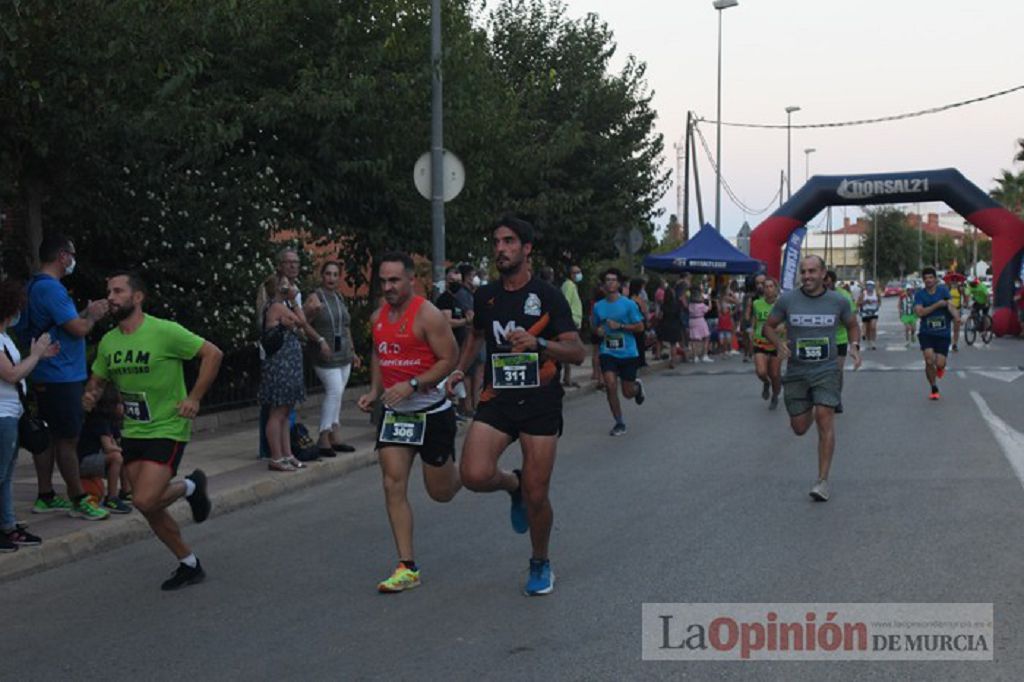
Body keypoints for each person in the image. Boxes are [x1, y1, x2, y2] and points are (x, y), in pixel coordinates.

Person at [448, 216, 584, 596]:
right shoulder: (485, 295)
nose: (500, 249)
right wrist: (459, 371)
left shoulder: (549, 296)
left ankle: (540, 560)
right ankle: (513, 483)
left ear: (526, 249)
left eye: (509, 242)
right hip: (499, 398)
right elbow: (475, 337)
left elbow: (576, 351)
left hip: (540, 402)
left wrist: (539, 345)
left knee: (538, 496)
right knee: (474, 475)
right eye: (496, 242)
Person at [83, 272, 222, 590]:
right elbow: (98, 378)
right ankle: (189, 563)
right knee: (148, 506)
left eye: (119, 291)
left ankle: (189, 486)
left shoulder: (164, 331)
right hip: (133, 430)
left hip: (168, 426)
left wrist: (194, 398)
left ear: (137, 297)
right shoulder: (109, 341)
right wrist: (90, 394)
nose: (112, 297)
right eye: (109, 291)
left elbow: (212, 354)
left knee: (145, 500)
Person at [356, 252, 461, 593]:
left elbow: (450, 358)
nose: (387, 287)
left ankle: (483, 477)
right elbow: (378, 352)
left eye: (394, 281)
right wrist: (375, 390)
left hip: (432, 413)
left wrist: (414, 384)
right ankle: (407, 566)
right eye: (383, 281)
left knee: (441, 492)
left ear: (411, 280)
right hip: (396, 415)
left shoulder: (428, 315)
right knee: (392, 483)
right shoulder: (378, 317)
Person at [23, 233, 111, 520]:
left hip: (48, 372)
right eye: (71, 255)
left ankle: (46, 495)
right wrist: (94, 316)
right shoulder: (52, 289)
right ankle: (78, 498)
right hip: (62, 375)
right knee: (68, 438)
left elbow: (63, 322)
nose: (73, 260)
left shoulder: (36, 285)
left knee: (49, 435)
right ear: (62, 256)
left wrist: (84, 311)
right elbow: (77, 329)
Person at [762, 256, 861, 502]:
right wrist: (778, 344)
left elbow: (852, 325)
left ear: (823, 273)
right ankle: (804, 414)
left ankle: (822, 481)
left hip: (826, 369)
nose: (807, 276)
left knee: (825, 416)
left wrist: (855, 346)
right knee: (799, 428)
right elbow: (768, 326)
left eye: (812, 271)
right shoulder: (788, 300)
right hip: (797, 371)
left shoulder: (838, 300)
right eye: (803, 272)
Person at [0, 279, 57, 551]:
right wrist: (35, 355)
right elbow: (11, 374)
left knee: (7, 473)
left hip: (10, 414)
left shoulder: (4, 338)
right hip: (2, 416)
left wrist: (39, 356)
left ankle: (8, 526)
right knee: (1, 473)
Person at [259, 275, 317, 471]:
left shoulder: (282, 306)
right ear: (278, 289)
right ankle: (276, 457)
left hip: (289, 365)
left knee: (286, 412)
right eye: (286, 284)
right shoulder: (276, 307)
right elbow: (301, 321)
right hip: (281, 366)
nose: (291, 286)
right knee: (277, 413)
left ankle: (287, 454)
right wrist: (294, 300)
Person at [304, 261, 361, 455]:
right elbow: (303, 323)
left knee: (338, 395)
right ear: (322, 276)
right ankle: (323, 436)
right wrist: (320, 340)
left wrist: (353, 351)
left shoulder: (338, 297)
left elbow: (346, 326)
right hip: (325, 354)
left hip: (343, 353)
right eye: (328, 274)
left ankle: (334, 435)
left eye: (335, 274)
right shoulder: (315, 297)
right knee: (334, 391)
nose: (332, 278)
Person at [592, 268, 646, 436]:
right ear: (603, 284)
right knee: (610, 384)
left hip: (628, 353)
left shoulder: (628, 304)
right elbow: (594, 327)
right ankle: (619, 422)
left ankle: (637, 388)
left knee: (627, 393)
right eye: (607, 280)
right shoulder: (598, 307)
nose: (610, 283)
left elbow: (640, 327)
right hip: (608, 351)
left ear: (619, 283)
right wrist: (598, 331)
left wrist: (621, 326)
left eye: (614, 280)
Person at [77, 383, 132, 513]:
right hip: (83, 462)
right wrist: (121, 450)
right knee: (117, 457)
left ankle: (126, 491)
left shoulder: (112, 422)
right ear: (111, 405)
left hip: (95, 458)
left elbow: (117, 443)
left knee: (124, 454)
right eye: (120, 403)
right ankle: (112, 498)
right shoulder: (100, 420)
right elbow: (108, 447)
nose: (123, 407)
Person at [914, 268, 954, 401]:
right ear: (923, 280)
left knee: (940, 363)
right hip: (927, 332)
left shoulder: (943, 290)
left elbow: (950, 305)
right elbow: (920, 312)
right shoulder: (920, 294)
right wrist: (936, 305)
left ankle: (940, 368)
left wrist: (957, 316)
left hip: (943, 333)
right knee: (929, 359)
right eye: (926, 278)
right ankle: (933, 386)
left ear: (935, 279)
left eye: (931, 277)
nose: (928, 280)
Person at [824, 270, 857, 415]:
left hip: (839, 338)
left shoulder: (843, 296)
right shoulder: (813, 295)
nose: (824, 284)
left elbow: (852, 321)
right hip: (819, 340)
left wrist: (854, 345)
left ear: (832, 281)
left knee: (837, 371)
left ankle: (836, 398)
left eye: (827, 281)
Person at [751, 277, 783, 409]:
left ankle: (775, 395)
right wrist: (751, 331)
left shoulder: (782, 304)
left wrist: (783, 327)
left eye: (771, 286)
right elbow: (755, 320)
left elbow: (789, 321)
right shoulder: (757, 303)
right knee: (761, 372)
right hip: (760, 342)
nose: (768, 289)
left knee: (775, 374)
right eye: (766, 286)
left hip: (776, 343)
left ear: (776, 289)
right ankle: (766, 382)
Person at [560, 265, 584, 388]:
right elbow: (566, 302)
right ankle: (567, 378)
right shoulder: (569, 285)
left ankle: (567, 377)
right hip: (572, 321)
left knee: (568, 349)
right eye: (576, 272)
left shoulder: (570, 285)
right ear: (571, 274)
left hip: (574, 320)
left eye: (579, 272)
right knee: (570, 350)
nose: (579, 274)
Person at [656, 279, 683, 369]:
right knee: (673, 344)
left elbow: (660, 316)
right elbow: (679, 315)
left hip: (665, 324)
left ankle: (658, 355)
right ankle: (673, 362)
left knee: (659, 339)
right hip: (674, 325)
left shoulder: (664, 305)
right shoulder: (677, 304)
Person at [628, 277, 650, 367]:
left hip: (631, 322)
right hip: (639, 322)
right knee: (640, 342)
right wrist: (647, 320)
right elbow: (644, 310)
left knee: (634, 342)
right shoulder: (638, 299)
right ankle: (641, 360)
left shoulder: (629, 298)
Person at [688, 286, 712, 363]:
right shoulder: (701, 305)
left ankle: (695, 357)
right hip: (700, 320)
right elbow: (709, 308)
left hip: (691, 320)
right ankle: (704, 355)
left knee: (693, 339)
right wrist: (709, 300)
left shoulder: (690, 304)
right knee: (706, 337)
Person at [857, 280, 881, 350]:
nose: (869, 287)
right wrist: (865, 302)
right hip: (865, 312)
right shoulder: (863, 294)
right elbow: (858, 303)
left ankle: (873, 342)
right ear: (866, 286)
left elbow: (879, 301)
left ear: (873, 287)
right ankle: (868, 340)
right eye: (868, 285)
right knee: (867, 328)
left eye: (871, 286)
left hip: (874, 312)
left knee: (873, 327)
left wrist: (877, 305)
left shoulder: (876, 293)